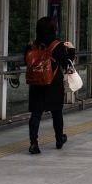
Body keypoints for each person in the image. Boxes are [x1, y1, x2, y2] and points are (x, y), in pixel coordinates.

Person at [26, 16, 76, 154]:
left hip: (36, 83)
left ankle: (34, 143)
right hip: (53, 83)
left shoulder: (31, 45)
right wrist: (71, 50)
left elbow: (27, 61)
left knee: (36, 113)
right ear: (53, 29)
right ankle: (59, 139)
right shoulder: (57, 45)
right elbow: (67, 64)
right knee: (57, 113)